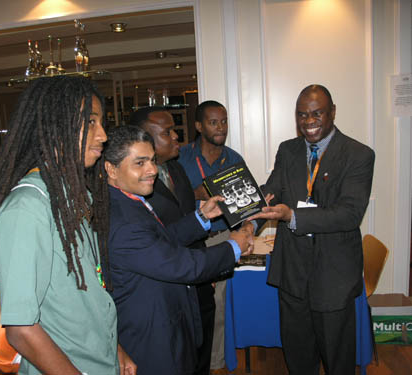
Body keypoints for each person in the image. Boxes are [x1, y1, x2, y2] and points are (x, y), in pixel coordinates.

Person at [0, 76, 135, 375]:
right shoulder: (27, 208)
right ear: (54, 125)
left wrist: (116, 350)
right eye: (90, 122)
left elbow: (85, 297)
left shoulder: (71, 196)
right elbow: (21, 329)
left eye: (101, 122)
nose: (103, 136)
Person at [103, 125, 254, 375]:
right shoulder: (122, 219)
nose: (152, 170)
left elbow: (161, 242)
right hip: (153, 338)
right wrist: (233, 247)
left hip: (166, 324)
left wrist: (201, 217)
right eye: (139, 163)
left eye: (151, 161)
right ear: (111, 168)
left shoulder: (129, 200)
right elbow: (181, 265)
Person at [249, 84, 375, 375]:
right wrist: (248, 217)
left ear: (332, 112)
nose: (308, 122)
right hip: (292, 270)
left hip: (334, 276)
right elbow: (272, 190)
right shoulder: (288, 149)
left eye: (316, 113)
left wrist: (293, 216)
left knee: (337, 358)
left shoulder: (358, 154)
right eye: (302, 115)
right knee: (298, 354)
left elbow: (349, 214)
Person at [178, 100, 245, 370]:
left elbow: (242, 205)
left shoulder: (234, 159)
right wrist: (197, 194)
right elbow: (170, 201)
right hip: (190, 241)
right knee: (192, 306)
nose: (221, 127)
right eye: (213, 122)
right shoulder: (180, 158)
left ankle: (215, 363)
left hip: (222, 237)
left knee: (218, 305)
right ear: (198, 126)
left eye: (224, 121)